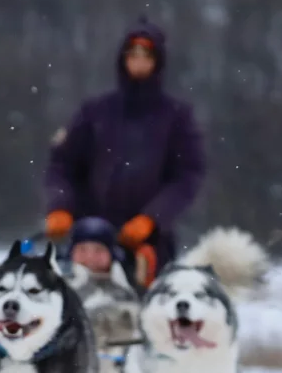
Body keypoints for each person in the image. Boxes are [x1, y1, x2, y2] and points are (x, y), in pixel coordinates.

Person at [42, 16, 207, 288]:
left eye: (146, 55)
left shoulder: (177, 117)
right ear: (123, 59)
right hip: (88, 236)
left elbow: (188, 177)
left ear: (158, 61)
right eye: (133, 54)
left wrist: (151, 219)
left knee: (145, 312)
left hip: (148, 242)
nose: (139, 61)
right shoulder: (95, 112)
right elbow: (62, 165)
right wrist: (60, 206)